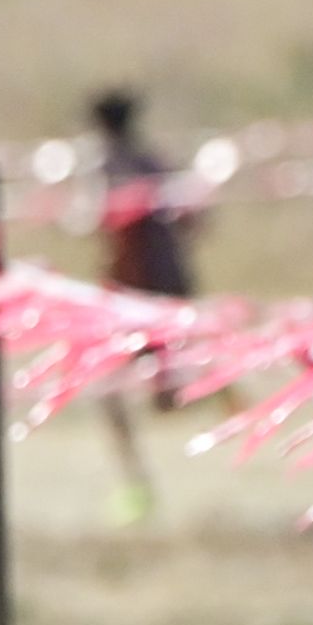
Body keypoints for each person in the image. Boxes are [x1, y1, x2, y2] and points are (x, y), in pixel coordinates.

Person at [89, 87, 196, 524]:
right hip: (164, 288)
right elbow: (193, 222)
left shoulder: (107, 168)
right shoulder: (155, 162)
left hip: (132, 296)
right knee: (143, 396)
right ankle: (139, 488)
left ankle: (138, 486)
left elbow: (105, 232)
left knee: (121, 396)